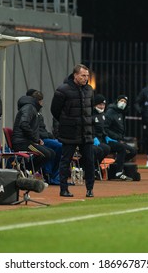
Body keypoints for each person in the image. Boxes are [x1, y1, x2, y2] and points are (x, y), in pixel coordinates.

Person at [51, 64, 95, 197]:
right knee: (65, 161)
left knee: (89, 161)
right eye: (83, 75)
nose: (85, 78)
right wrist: (67, 121)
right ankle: (63, 189)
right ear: (75, 75)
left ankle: (90, 189)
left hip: (86, 133)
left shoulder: (89, 90)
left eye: (87, 76)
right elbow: (55, 110)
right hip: (69, 132)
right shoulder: (63, 90)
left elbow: (90, 108)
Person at [12, 91, 54, 173]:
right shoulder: (29, 108)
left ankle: (27, 170)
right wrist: (36, 140)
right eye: (41, 102)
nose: (42, 105)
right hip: (22, 143)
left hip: (25, 141)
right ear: (39, 101)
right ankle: (26, 170)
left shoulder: (29, 107)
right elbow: (24, 124)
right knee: (47, 154)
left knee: (51, 153)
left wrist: (36, 139)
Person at [26, 89, 62, 185]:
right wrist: (42, 137)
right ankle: (50, 174)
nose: (42, 104)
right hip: (37, 140)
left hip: (44, 138)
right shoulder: (30, 111)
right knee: (59, 147)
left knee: (57, 147)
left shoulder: (38, 113)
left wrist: (49, 135)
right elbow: (33, 130)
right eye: (40, 101)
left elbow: (42, 128)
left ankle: (53, 175)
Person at [104, 95, 137, 180]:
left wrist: (120, 138)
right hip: (109, 140)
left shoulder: (121, 113)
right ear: (117, 101)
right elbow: (105, 128)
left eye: (125, 102)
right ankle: (118, 172)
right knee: (122, 148)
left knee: (133, 151)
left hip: (118, 139)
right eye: (122, 101)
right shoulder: (110, 112)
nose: (123, 103)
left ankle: (116, 165)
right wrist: (115, 137)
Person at [92, 94, 111, 177]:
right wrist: (93, 137)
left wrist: (106, 136)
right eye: (100, 104)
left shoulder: (103, 115)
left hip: (101, 139)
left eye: (103, 105)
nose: (102, 106)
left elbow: (104, 128)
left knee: (108, 148)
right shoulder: (91, 115)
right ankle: (92, 167)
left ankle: (96, 166)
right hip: (93, 139)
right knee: (102, 149)